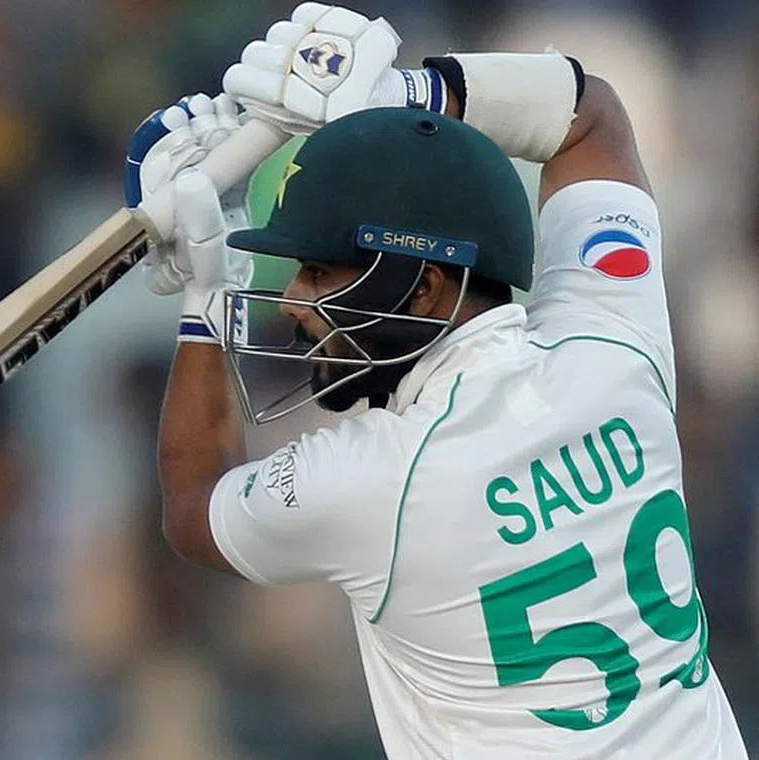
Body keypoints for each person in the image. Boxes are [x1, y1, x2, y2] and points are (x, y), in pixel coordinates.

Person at [124, 3, 749, 758]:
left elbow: (193, 506)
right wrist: (411, 96)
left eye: (319, 271)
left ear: (424, 290)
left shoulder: (374, 480)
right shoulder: (613, 344)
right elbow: (595, 119)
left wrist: (206, 301)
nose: (293, 298)